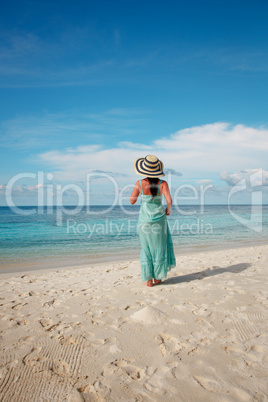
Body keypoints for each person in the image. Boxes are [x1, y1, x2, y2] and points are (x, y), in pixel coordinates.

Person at [130, 155, 176, 287]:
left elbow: (132, 201)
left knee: (146, 248)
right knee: (159, 247)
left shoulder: (139, 183)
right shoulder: (163, 183)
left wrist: (141, 196)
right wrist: (168, 210)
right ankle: (158, 277)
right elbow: (169, 200)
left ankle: (149, 280)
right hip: (159, 220)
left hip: (144, 220)